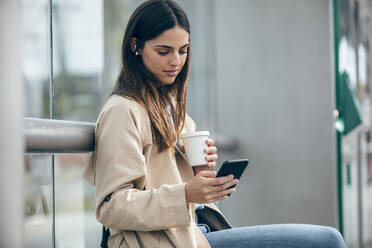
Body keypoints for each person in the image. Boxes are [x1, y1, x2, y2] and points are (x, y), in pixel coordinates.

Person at [83, 0, 347, 247]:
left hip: (196, 231)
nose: (175, 61)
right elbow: (111, 206)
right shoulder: (122, 111)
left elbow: (176, 180)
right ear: (135, 46)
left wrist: (200, 170)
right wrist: (185, 193)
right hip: (165, 240)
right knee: (328, 240)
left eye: (183, 51)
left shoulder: (172, 108)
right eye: (164, 51)